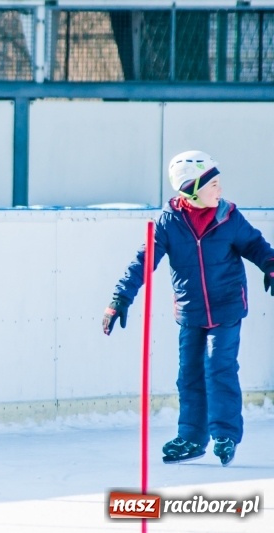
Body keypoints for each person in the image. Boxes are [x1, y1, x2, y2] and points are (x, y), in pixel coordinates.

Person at [102, 150, 274, 467]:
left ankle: (225, 434)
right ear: (191, 190)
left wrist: (271, 266)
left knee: (218, 367)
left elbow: (255, 245)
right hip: (191, 312)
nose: (220, 190)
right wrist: (120, 298)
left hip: (227, 308)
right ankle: (193, 438)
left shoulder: (228, 216)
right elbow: (143, 262)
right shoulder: (169, 222)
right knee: (190, 375)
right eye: (213, 185)